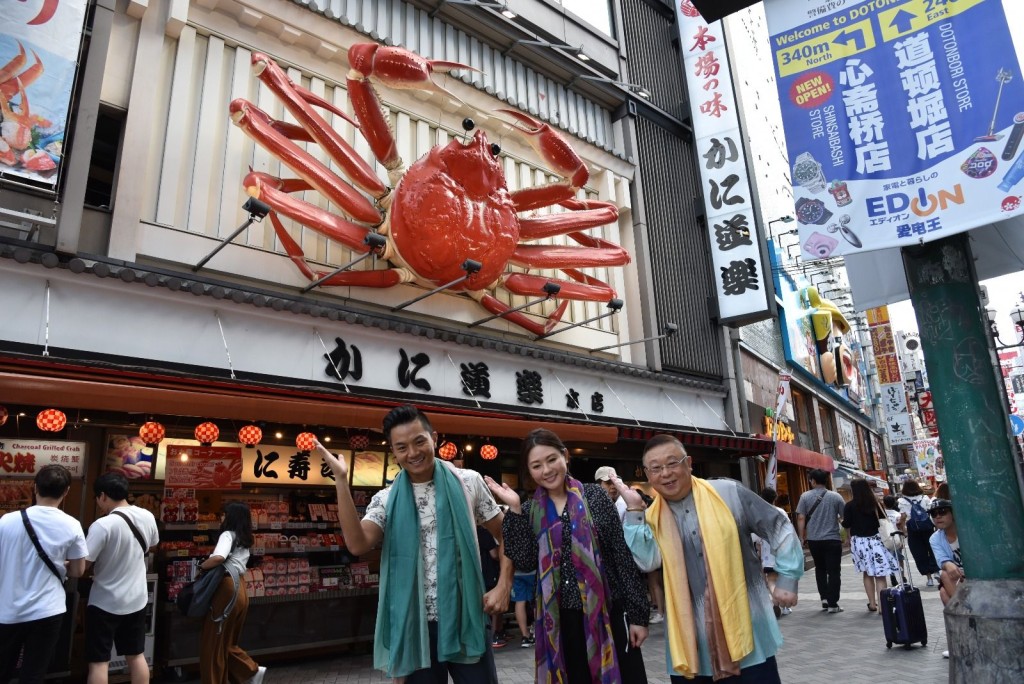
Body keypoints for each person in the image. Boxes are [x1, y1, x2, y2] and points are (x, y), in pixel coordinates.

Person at [317, 405, 511, 683]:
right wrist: (340, 480)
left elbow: (508, 535)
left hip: (467, 616)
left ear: (434, 437)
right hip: (415, 627)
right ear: (394, 452)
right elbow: (358, 543)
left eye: (419, 441)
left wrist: (504, 584)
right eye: (402, 447)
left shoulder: (468, 482)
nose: (413, 453)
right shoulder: (386, 499)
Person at [617, 435, 802, 683]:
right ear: (648, 475)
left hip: (749, 633)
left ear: (689, 463)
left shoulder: (729, 493)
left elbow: (780, 527)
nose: (665, 473)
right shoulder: (651, 516)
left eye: (672, 463)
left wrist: (787, 578)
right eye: (656, 468)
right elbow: (647, 561)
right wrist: (634, 511)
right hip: (692, 644)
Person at [487, 429, 649, 684]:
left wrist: (638, 617)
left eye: (552, 459)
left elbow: (620, 555)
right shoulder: (530, 511)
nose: (547, 470)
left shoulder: (594, 497)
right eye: (537, 465)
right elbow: (526, 561)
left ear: (565, 456)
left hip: (607, 614)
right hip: (561, 624)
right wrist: (515, 511)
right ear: (529, 471)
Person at [0, 464, 88, 684]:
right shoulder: (72, 525)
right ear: (66, 491)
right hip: (48, 611)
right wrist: (62, 564)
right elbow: (78, 570)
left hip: (8, 609)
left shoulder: (5, 521)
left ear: (34, 487)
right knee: (34, 674)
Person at [85, 473, 160, 684]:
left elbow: (84, 563)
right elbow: (152, 544)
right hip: (136, 600)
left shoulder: (102, 525)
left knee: (99, 662)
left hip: (104, 602)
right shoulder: (147, 516)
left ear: (102, 496)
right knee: (136, 656)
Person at [198, 501, 264, 684]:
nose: (221, 517)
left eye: (224, 514)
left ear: (231, 517)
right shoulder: (244, 537)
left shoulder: (227, 535)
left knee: (213, 642)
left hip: (226, 587)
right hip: (240, 588)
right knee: (228, 641)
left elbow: (219, 557)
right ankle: (245, 671)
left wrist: (201, 565)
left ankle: (247, 670)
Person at [842, 479, 899, 613]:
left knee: (867, 573)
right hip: (876, 541)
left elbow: (847, 524)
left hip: (859, 543)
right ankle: (883, 606)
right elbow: (882, 521)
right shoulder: (875, 504)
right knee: (880, 574)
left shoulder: (849, 506)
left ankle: (872, 604)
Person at [795, 468, 846, 612]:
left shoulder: (804, 496)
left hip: (814, 540)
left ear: (813, 481)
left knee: (820, 569)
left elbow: (801, 517)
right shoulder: (836, 497)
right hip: (833, 539)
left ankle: (824, 598)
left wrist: (801, 536)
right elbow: (843, 518)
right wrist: (847, 536)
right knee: (834, 571)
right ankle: (833, 604)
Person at [928, 498, 960, 659]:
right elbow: (942, 561)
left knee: (945, 593)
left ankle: (962, 616)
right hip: (955, 579)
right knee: (945, 577)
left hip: (973, 577)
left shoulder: (965, 531)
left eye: (942, 512)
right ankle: (964, 613)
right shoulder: (935, 538)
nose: (937, 517)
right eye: (934, 514)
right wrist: (948, 564)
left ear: (953, 514)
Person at [753, 487, 790, 617]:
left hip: (767, 552)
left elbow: (756, 537)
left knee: (771, 579)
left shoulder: (758, 513)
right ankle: (785, 607)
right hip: (782, 550)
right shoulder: (781, 512)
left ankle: (775, 601)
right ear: (775, 498)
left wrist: (758, 549)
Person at [897, 481, 938, 587]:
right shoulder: (924, 498)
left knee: (919, 553)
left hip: (913, 529)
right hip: (927, 527)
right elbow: (930, 512)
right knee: (933, 549)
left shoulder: (902, 501)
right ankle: (936, 570)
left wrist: (903, 529)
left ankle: (929, 578)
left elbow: (903, 517)